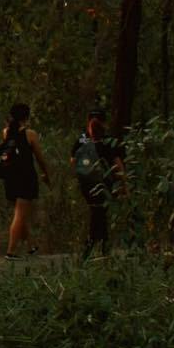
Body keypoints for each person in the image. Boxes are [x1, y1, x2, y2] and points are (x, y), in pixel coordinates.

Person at [0, 100, 51, 258]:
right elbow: (40, 158)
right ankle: (11, 252)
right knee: (20, 215)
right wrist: (46, 174)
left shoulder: (6, 132)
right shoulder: (30, 134)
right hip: (26, 178)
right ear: (26, 117)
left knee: (20, 214)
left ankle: (31, 245)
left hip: (10, 179)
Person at [69, 107, 123, 256]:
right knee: (100, 212)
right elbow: (118, 164)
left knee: (97, 213)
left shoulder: (83, 138)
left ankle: (95, 246)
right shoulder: (108, 140)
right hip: (105, 184)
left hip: (87, 184)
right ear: (104, 122)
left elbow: (73, 161)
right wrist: (123, 183)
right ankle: (96, 246)